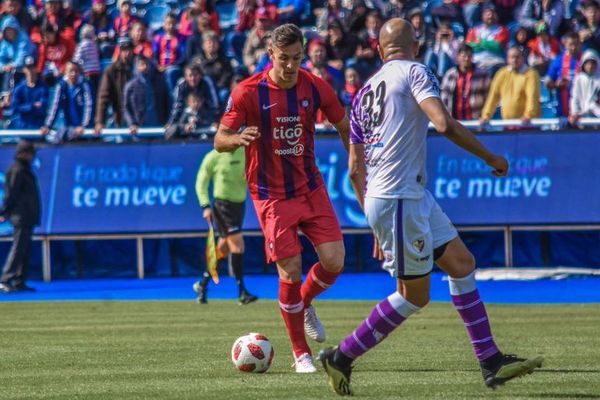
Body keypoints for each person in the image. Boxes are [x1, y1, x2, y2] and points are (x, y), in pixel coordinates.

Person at [318, 18, 543, 396]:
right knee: (414, 295)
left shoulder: (362, 92)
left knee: (461, 264)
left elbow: (355, 168)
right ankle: (341, 356)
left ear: (377, 50)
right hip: (401, 197)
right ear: (417, 46)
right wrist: (491, 157)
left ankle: (490, 361)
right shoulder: (416, 72)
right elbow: (443, 123)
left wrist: (374, 222)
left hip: (398, 196)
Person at [214, 23, 351, 373]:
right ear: (270, 54)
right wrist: (238, 138)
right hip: (271, 195)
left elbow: (343, 122)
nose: (291, 66)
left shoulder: (315, 85)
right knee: (290, 271)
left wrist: (356, 159)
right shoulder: (247, 92)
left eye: (297, 58)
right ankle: (301, 354)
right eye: (284, 59)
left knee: (335, 261)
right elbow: (220, 138)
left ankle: (304, 304)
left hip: (310, 186)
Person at [192, 146, 258, 305]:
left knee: (223, 248)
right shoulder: (213, 156)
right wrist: (205, 206)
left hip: (239, 205)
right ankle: (242, 292)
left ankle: (203, 283)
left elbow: (257, 170)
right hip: (222, 206)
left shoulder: (246, 152)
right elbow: (201, 181)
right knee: (238, 245)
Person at [0, 141, 41, 293]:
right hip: (20, 215)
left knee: (24, 249)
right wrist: (4, 212)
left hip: (27, 215)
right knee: (18, 249)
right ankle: (5, 279)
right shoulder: (17, 170)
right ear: (22, 153)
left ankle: (19, 280)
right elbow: (11, 194)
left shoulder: (24, 169)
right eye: (30, 153)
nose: (32, 156)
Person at [480, 46, 540, 125]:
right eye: (511, 57)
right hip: (507, 124)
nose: (514, 60)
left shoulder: (531, 74)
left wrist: (528, 115)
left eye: (517, 57)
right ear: (507, 59)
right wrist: (486, 116)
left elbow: (532, 97)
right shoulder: (501, 73)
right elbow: (493, 96)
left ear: (523, 58)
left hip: (527, 124)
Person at [41, 61, 93, 143]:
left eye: (76, 71)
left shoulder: (84, 85)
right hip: (68, 129)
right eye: (71, 71)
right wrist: (48, 125)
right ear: (66, 72)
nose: (73, 74)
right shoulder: (61, 86)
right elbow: (55, 107)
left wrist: (84, 126)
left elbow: (89, 106)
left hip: (82, 131)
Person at [441, 44, 491, 120]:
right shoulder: (450, 75)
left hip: (476, 119)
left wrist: (485, 115)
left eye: (469, 56)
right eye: (463, 56)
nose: (466, 59)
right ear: (458, 57)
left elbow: (488, 98)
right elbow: (444, 98)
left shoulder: (482, 75)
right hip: (454, 120)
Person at [95, 36, 134, 134]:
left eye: (129, 50)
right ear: (119, 51)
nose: (127, 53)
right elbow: (103, 97)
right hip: (121, 119)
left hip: (141, 119)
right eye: (124, 50)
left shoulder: (139, 67)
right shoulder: (111, 70)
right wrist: (100, 121)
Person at [10, 56, 49, 129]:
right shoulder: (19, 88)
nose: (30, 71)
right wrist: (32, 106)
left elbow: (43, 107)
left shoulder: (43, 88)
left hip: (39, 127)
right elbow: (14, 108)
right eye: (28, 68)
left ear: (36, 68)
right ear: (24, 69)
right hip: (23, 127)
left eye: (32, 67)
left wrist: (24, 107)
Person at [569, 49, 600, 125]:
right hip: (582, 118)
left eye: (593, 63)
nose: (590, 66)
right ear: (583, 64)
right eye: (588, 63)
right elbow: (574, 97)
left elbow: (594, 101)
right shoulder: (578, 79)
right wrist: (575, 112)